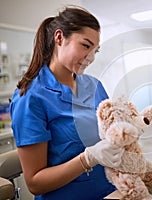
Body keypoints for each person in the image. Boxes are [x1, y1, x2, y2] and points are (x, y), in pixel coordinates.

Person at [9, 6, 124, 200]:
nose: (91, 58)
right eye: (86, 46)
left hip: (110, 191)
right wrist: (87, 159)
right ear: (59, 38)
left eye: (96, 50)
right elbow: (35, 183)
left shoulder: (94, 85)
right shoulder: (30, 98)